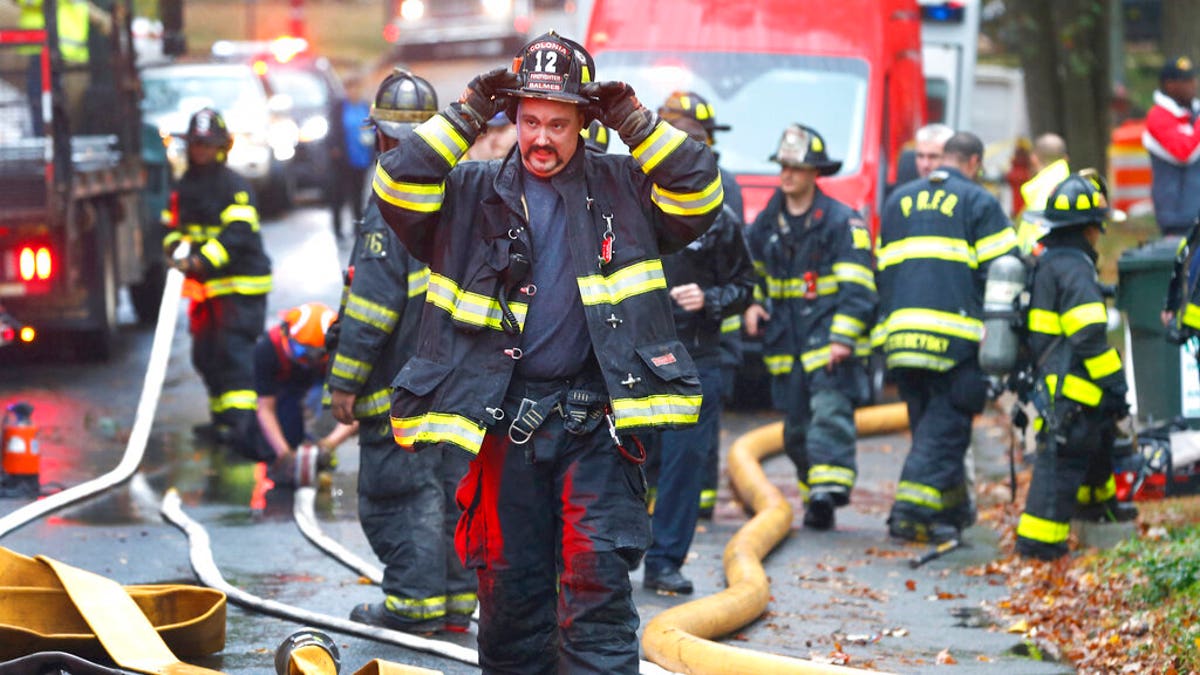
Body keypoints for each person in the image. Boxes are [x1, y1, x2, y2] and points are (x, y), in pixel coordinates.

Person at [371, 31, 722, 673]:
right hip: (505, 429)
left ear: (585, 123)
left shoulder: (626, 185)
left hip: (597, 429)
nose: (541, 139)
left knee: (596, 592)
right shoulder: (470, 191)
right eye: (529, 121)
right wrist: (470, 111)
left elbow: (701, 189)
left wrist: (637, 123)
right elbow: (395, 185)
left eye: (559, 123)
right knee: (509, 597)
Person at [325, 69, 477, 635]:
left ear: (382, 138)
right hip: (461, 383)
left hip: (400, 386)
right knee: (452, 489)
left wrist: (344, 381)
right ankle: (456, 606)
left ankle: (414, 607)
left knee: (401, 493)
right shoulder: (467, 191)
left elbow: (372, 305)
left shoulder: (390, 198)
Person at [877, 131, 1018, 543]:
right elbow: (1005, 273)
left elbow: (885, 270)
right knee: (946, 429)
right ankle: (908, 512)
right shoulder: (979, 202)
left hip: (902, 338)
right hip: (956, 342)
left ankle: (950, 513)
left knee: (929, 429)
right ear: (973, 162)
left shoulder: (897, 200)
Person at [640, 115, 756, 594]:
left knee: (685, 465)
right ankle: (613, 556)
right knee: (630, 460)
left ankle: (665, 561)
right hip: (634, 359)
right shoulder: (627, 210)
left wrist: (709, 300)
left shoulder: (719, 221)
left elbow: (745, 285)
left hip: (696, 356)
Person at [743, 123, 877, 530]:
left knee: (829, 414)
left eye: (797, 168)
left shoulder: (842, 223)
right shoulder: (768, 223)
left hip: (828, 343)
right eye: (783, 165)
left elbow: (860, 288)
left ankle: (827, 493)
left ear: (816, 173)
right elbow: (752, 272)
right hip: (787, 346)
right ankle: (813, 492)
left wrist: (843, 337)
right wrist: (752, 304)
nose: (787, 174)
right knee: (795, 433)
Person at [1015, 171, 1134, 561]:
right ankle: (1040, 544)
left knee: (1093, 448)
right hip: (1072, 389)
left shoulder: (1052, 262)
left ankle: (1096, 511)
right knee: (1061, 462)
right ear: (1088, 229)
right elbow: (1087, 337)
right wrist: (1115, 384)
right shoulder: (1075, 269)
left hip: (1056, 383)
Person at [164, 108, 273, 460]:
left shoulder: (234, 186)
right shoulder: (184, 187)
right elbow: (171, 232)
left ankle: (244, 429)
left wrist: (200, 261)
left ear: (221, 147)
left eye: (207, 145)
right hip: (208, 290)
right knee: (206, 355)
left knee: (234, 355)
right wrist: (175, 254)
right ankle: (223, 421)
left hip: (241, 288)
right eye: (196, 144)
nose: (201, 151)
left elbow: (238, 234)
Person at [657, 90, 745, 519]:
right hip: (644, 343)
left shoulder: (722, 192)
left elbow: (740, 275)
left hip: (700, 343)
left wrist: (710, 302)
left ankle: (689, 520)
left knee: (690, 449)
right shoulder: (633, 186)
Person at [254, 302, 355, 485]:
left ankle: (323, 460)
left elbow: (360, 408)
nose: (308, 360)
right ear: (286, 334)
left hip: (326, 382)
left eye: (317, 354)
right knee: (285, 419)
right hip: (287, 385)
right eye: (301, 351)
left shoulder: (346, 354)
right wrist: (284, 453)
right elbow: (265, 409)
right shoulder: (268, 348)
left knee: (331, 409)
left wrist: (329, 444)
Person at [1142, 55, 1200, 236]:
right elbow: (1184, 153)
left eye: (1193, 78)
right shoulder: (1159, 117)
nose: (1193, 84)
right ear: (1170, 85)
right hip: (1178, 217)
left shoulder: (1194, 113)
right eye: (1186, 80)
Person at [329, 75, 375, 240]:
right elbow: (333, 131)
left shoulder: (366, 107)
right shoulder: (339, 108)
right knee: (339, 195)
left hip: (361, 158)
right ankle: (338, 229)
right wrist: (334, 149)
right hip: (343, 160)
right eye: (350, 88)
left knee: (358, 195)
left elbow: (373, 127)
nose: (354, 92)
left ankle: (357, 228)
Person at [1015, 133, 1070, 254]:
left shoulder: (1044, 191)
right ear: (1066, 158)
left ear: (1033, 158)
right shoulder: (1065, 185)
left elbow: (1038, 241)